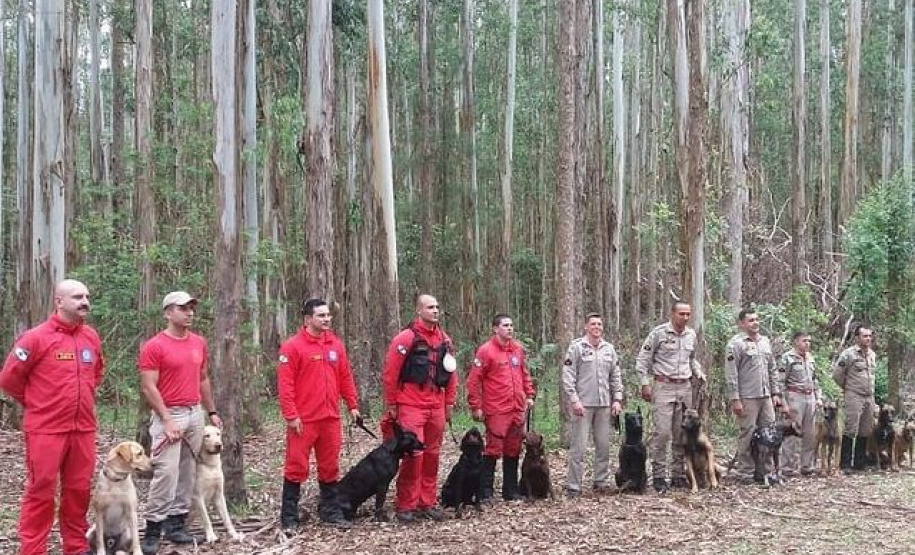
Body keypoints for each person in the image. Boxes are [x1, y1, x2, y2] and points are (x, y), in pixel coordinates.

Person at [0, 279, 104, 555]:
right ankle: (33, 549)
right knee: (41, 490)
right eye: (77, 297)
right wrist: (36, 403)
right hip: (46, 429)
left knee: (79, 490)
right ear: (59, 301)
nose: (85, 302)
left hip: (83, 428)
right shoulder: (35, 338)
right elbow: (9, 379)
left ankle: (76, 547)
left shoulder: (90, 337)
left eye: (87, 296)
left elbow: (97, 373)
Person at [139, 291, 221, 555]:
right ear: (168, 312)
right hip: (169, 413)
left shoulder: (198, 343)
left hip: (194, 410)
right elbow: (148, 386)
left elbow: (203, 378)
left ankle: (177, 523)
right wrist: (166, 419)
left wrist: (212, 411)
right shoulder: (155, 346)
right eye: (183, 308)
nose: (189, 313)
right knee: (166, 471)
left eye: (191, 308)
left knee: (187, 468)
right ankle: (153, 528)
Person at [277, 298, 360, 529]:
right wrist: (291, 415)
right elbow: (286, 385)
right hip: (304, 420)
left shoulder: (335, 345)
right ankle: (289, 518)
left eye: (327, 315)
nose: (326, 319)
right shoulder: (292, 347)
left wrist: (352, 405)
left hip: (330, 418)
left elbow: (345, 376)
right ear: (307, 319)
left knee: (330, 465)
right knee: (296, 466)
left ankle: (330, 512)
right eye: (321, 315)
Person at [381, 294, 457, 523]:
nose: (435, 311)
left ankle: (427, 502)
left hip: (436, 404)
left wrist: (449, 402)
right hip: (411, 403)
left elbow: (451, 373)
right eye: (430, 307)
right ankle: (406, 505)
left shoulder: (445, 340)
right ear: (419, 311)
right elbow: (390, 373)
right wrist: (392, 403)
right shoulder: (405, 339)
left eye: (437, 307)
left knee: (432, 455)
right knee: (414, 454)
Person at [636, 301, 705, 493]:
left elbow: (692, 359)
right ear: (672, 314)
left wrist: (698, 371)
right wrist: (645, 383)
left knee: (681, 433)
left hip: (684, 387)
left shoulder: (691, 335)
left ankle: (678, 474)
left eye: (688, 314)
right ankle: (658, 475)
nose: (685, 317)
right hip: (663, 385)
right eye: (681, 314)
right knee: (662, 433)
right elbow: (642, 360)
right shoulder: (659, 333)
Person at [467, 314, 536, 502]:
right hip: (496, 408)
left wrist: (529, 395)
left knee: (513, 450)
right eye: (505, 325)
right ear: (495, 329)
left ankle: (510, 490)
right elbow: (474, 380)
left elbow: (525, 374)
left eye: (512, 325)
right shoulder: (486, 351)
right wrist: (476, 406)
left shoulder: (518, 350)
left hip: (517, 408)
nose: (510, 329)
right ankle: (485, 492)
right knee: (492, 450)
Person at [561, 313, 623, 496]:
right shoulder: (577, 348)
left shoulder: (608, 349)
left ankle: (601, 481)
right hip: (583, 405)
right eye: (593, 324)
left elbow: (615, 375)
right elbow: (568, 375)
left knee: (603, 446)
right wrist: (574, 400)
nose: (597, 327)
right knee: (578, 447)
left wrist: (617, 398)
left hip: (604, 404)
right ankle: (573, 485)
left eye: (600, 324)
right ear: (586, 326)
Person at [724, 308, 783, 482]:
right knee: (748, 433)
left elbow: (772, 368)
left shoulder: (765, 342)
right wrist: (735, 398)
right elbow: (731, 373)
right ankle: (745, 471)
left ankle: (765, 471)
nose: (755, 323)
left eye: (757, 319)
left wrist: (775, 392)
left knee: (768, 433)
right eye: (751, 320)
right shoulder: (735, 344)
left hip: (765, 396)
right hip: (747, 396)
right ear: (741, 323)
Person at [777, 331, 822, 476]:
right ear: (796, 342)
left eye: (809, 341)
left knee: (810, 433)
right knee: (791, 432)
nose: (807, 343)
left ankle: (807, 466)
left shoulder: (810, 358)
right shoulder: (787, 358)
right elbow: (780, 381)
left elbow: (815, 380)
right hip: (794, 396)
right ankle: (787, 467)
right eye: (804, 341)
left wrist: (818, 397)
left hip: (810, 397)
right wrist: (783, 402)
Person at [832, 325, 877, 472]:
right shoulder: (848, 354)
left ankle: (860, 462)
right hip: (854, 395)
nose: (868, 339)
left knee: (865, 429)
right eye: (865, 336)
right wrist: (848, 388)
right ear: (857, 337)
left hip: (869, 396)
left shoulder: (872, 354)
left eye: (870, 336)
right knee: (851, 428)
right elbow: (837, 375)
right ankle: (845, 463)